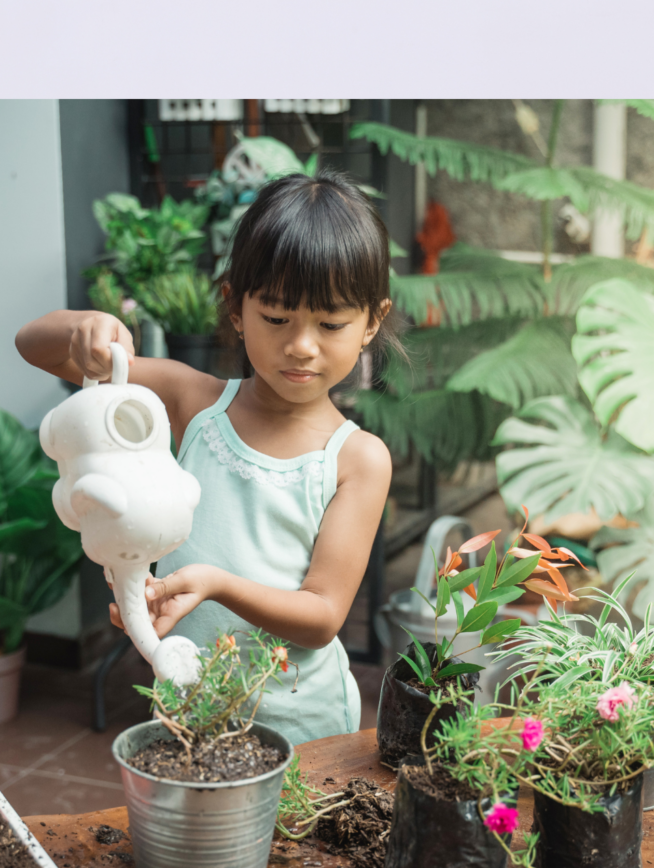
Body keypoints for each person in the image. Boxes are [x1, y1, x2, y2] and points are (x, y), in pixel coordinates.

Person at [16, 170, 402, 746]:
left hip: (305, 730)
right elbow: (33, 346)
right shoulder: (191, 401)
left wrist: (216, 585)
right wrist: (85, 328)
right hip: (190, 713)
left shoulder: (357, 459)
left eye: (331, 323)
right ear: (235, 308)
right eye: (276, 317)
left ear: (371, 321)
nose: (301, 344)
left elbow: (322, 616)